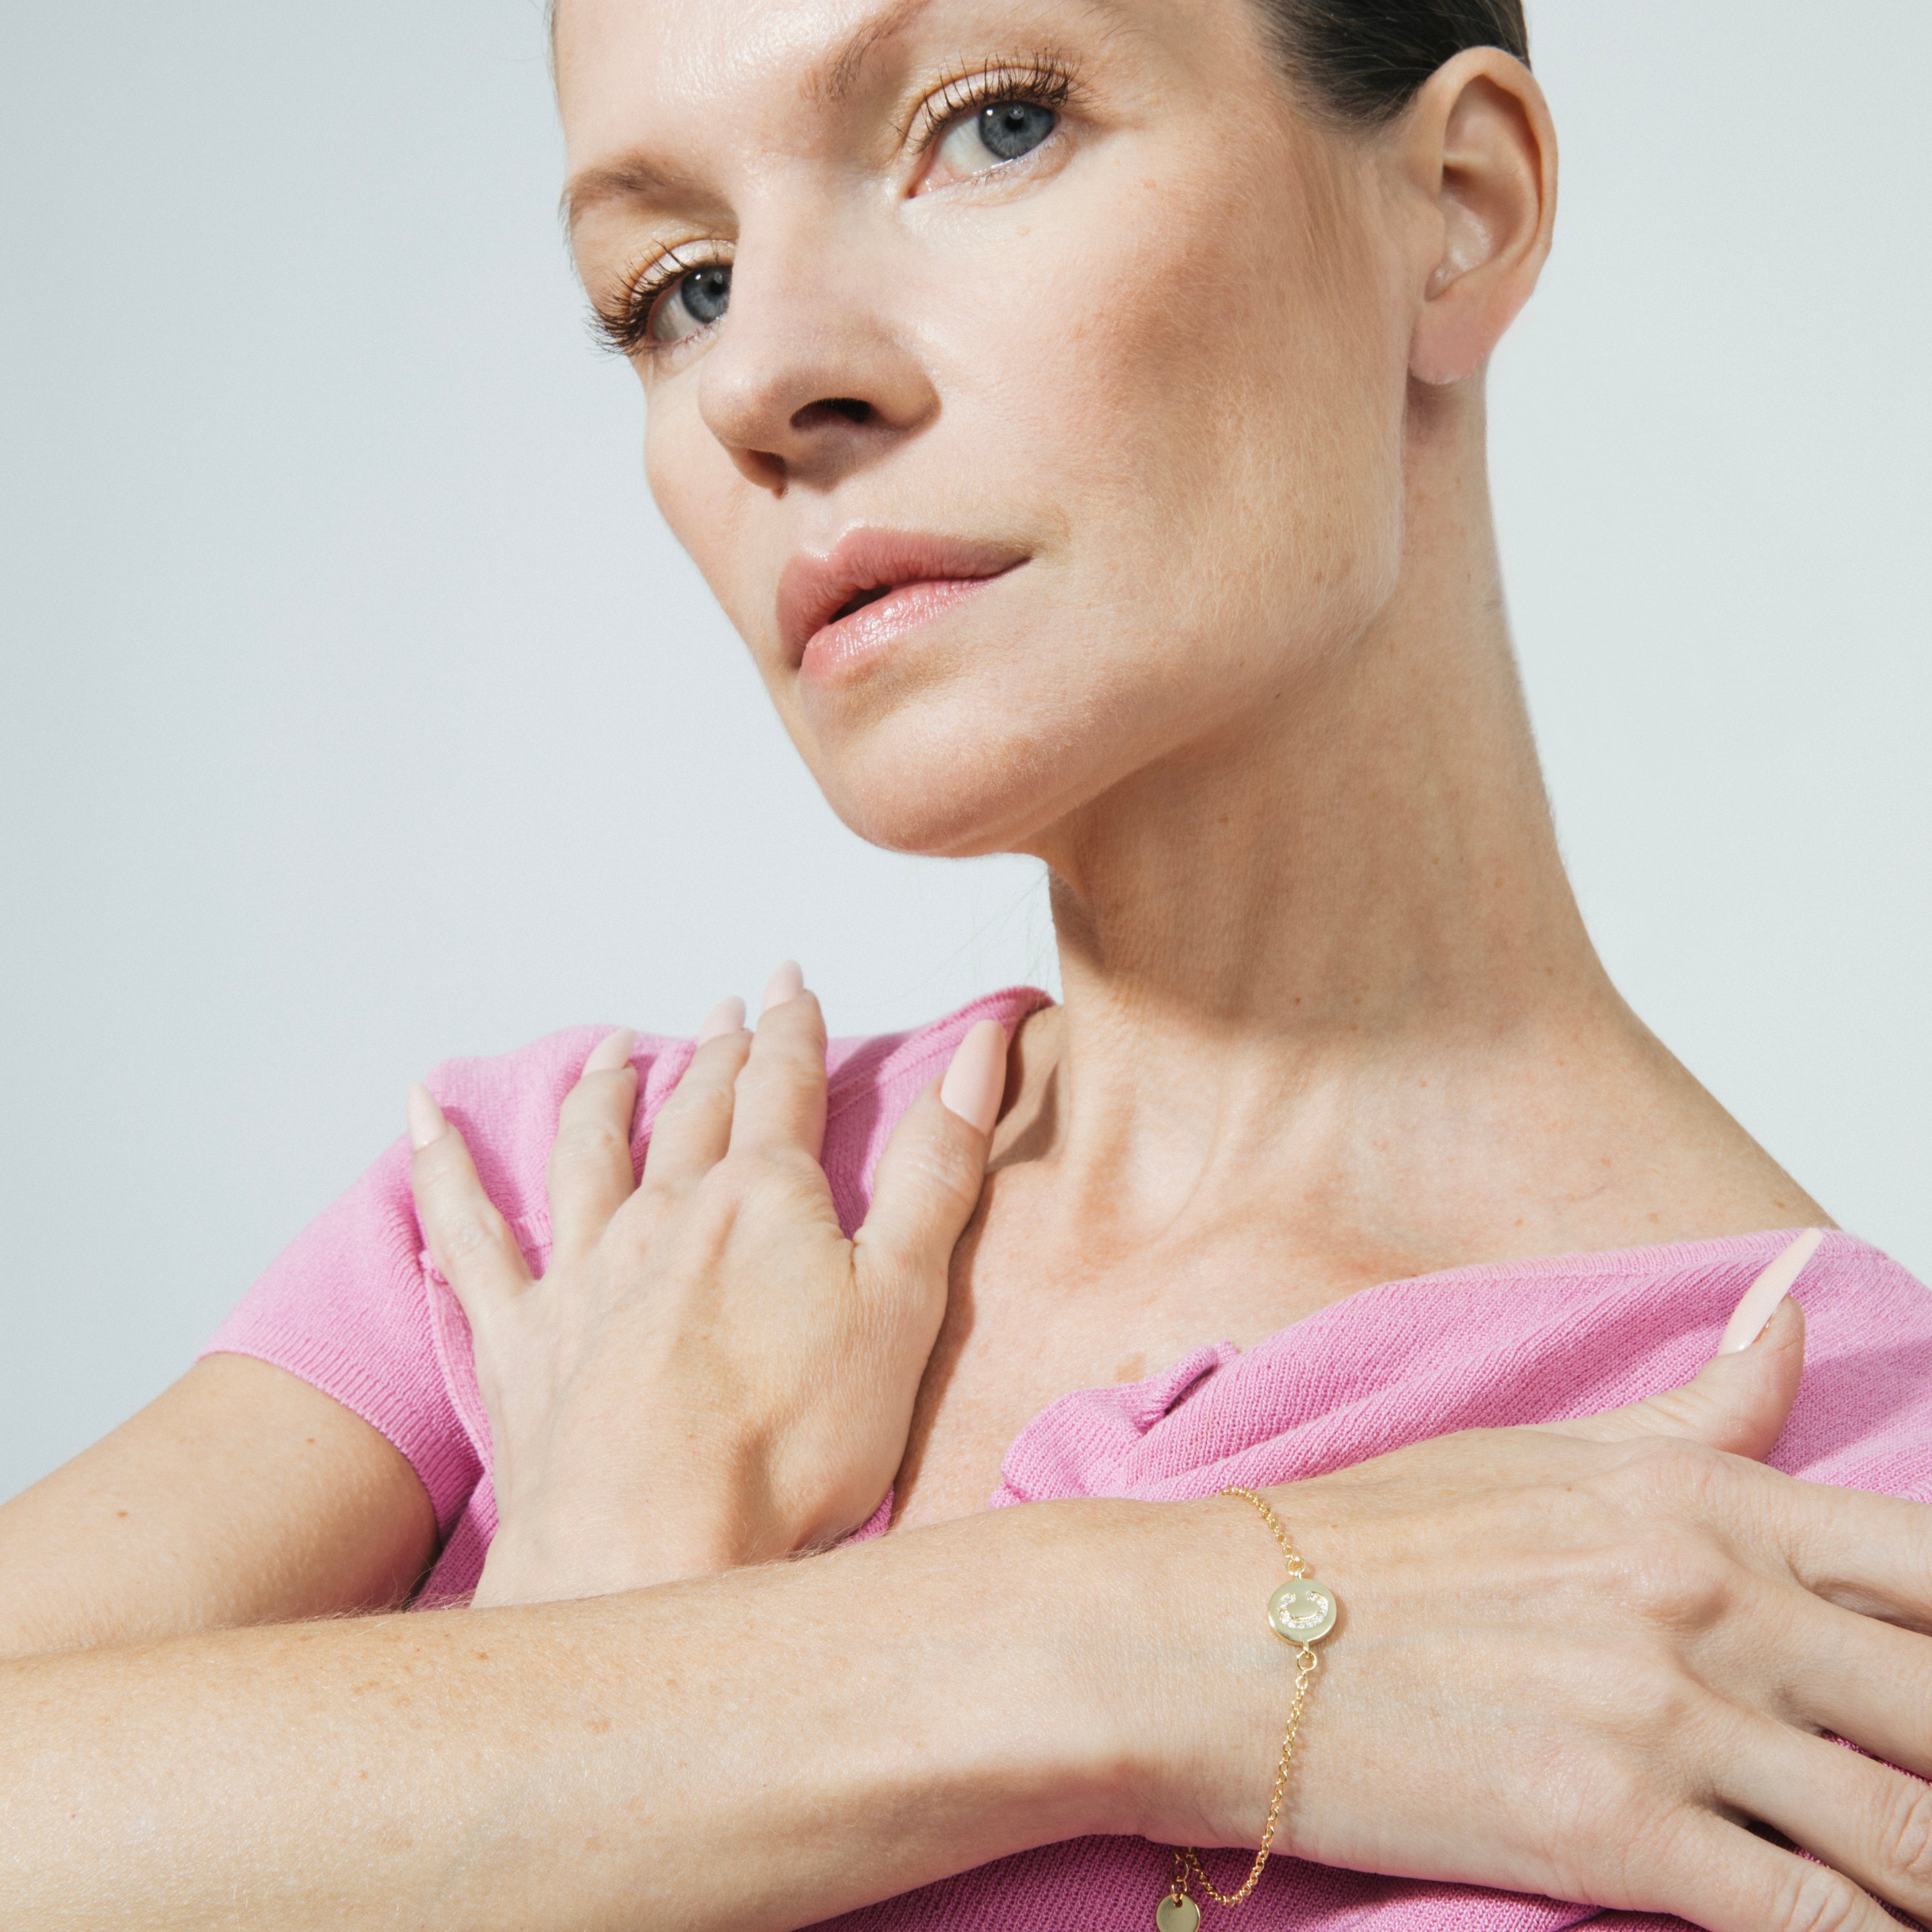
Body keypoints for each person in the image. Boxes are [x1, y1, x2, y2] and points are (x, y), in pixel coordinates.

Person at [3, 1, 1929, 1927]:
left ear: (1460, 203)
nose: (763, 373)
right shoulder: (590, 1228)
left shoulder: (1813, 1550)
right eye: (675, 287)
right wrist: (1147, 1637)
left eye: (993, 124)